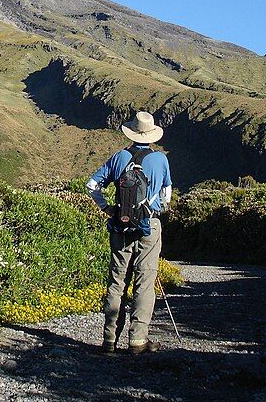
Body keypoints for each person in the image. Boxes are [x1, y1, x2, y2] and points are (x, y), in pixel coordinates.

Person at [86, 111, 172, 355]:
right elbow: (166, 198)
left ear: (132, 132)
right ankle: (138, 341)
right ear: (152, 135)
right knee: (144, 283)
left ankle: (109, 340)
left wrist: (107, 208)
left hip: (120, 226)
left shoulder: (119, 157)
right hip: (149, 226)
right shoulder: (161, 160)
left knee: (117, 282)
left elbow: (92, 185)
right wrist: (152, 209)